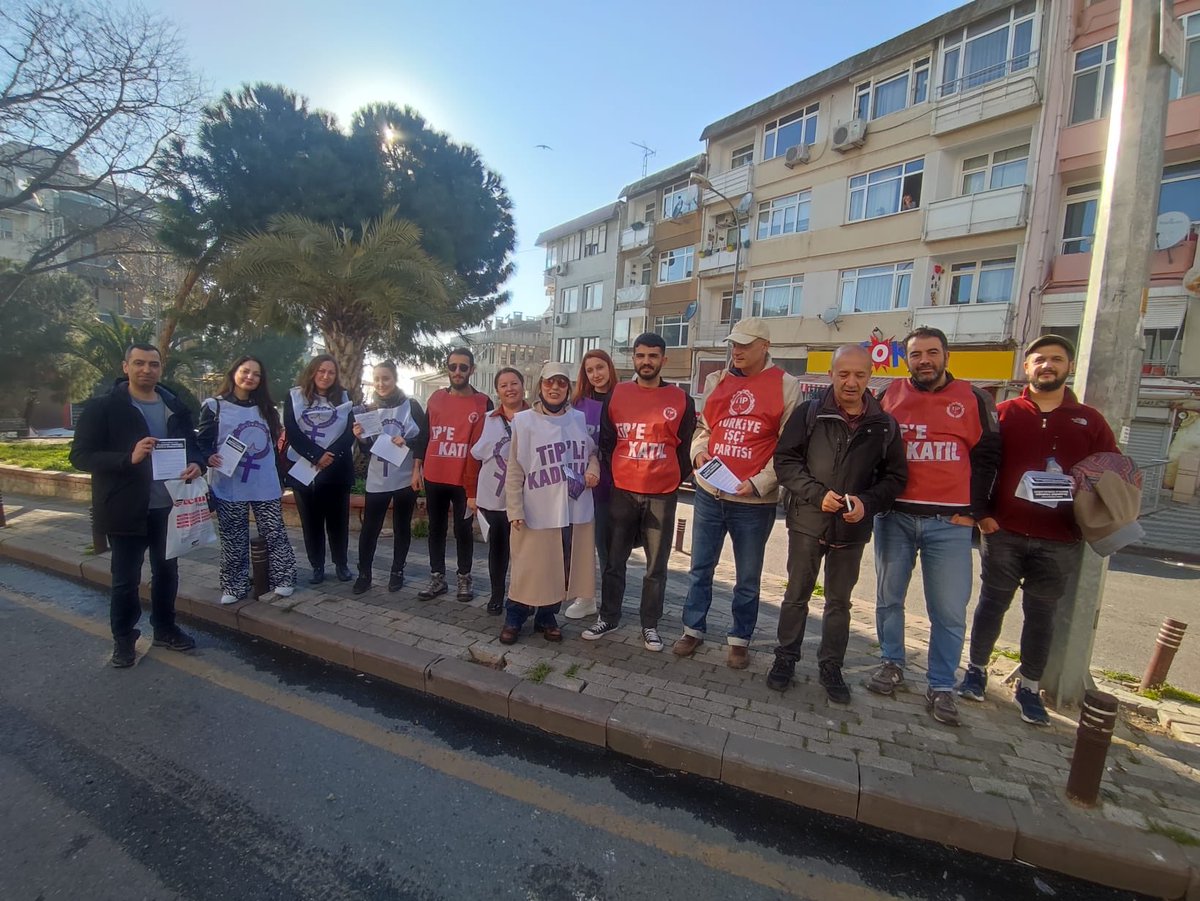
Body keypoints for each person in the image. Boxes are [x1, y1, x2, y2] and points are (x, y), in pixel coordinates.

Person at [957, 335, 1117, 725]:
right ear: (1026, 368)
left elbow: (1112, 470)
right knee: (992, 604)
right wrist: (983, 514)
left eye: (1056, 360)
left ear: (1069, 367)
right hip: (1004, 530)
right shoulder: (1005, 413)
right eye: (1039, 360)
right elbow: (982, 465)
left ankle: (1029, 686)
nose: (1048, 366)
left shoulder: (1089, 421)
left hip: (1060, 537)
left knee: (1041, 614)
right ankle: (975, 671)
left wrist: (1087, 498)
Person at [869, 327, 1002, 726]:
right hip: (895, 517)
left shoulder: (975, 398)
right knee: (889, 597)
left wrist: (976, 512)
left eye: (932, 352)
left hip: (951, 523)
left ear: (946, 355)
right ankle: (891, 662)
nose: (924, 360)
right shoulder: (888, 395)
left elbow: (989, 459)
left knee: (948, 609)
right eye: (915, 354)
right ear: (905, 359)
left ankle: (942, 684)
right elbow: (872, 451)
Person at [769, 345, 907, 700]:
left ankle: (831, 666)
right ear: (831, 374)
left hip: (852, 528)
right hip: (807, 521)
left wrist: (868, 502)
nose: (851, 382)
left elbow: (895, 478)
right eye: (843, 374)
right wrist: (815, 494)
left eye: (859, 374)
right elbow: (785, 462)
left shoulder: (884, 424)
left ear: (870, 376)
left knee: (839, 603)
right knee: (796, 596)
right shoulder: (809, 413)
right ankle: (785, 658)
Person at [672, 317, 801, 669]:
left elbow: (789, 446)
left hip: (754, 501)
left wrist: (760, 482)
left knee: (747, 576)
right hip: (711, 492)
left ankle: (740, 638)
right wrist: (698, 452)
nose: (737, 350)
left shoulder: (787, 386)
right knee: (700, 568)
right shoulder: (718, 380)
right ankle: (692, 629)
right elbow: (704, 427)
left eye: (745, 344)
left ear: (765, 346)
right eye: (734, 344)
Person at [70, 343, 205, 667]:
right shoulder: (103, 407)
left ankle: (165, 628)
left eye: (153, 364)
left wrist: (197, 463)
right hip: (125, 507)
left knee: (167, 572)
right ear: (126, 366)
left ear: (161, 368)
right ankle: (124, 639)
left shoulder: (175, 406)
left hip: (168, 507)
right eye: (140, 363)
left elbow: (194, 445)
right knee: (125, 579)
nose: (147, 369)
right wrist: (126, 458)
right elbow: (80, 456)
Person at [583, 333, 696, 651]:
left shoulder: (681, 399)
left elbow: (686, 446)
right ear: (633, 358)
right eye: (641, 355)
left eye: (653, 356)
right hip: (623, 493)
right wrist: (620, 473)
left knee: (656, 566)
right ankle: (609, 616)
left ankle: (650, 624)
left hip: (662, 494)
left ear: (664, 360)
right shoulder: (618, 394)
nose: (646, 361)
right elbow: (607, 441)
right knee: (614, 561)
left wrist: (673, 479)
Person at [502, 362, 600, 643]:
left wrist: (594, 467)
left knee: (559, 566)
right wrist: (515, 509)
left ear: (568, 388)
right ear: (540, 386)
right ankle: (515, 616)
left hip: (571, 507)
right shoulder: (524, 421)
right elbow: (514, 470)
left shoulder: (578, 419)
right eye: (549, 383)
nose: (554, 388)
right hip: (536, 506)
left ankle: (547, 616)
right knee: (529, 566)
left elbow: (593, 453)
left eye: (561, 383)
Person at [198, 355, 297, 604]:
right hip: (229, 482)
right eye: (245, 371)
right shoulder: (214, 406)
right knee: (233, 535)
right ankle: (234, 584)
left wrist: (280, 477)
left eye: (256, 374)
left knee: (274, 532)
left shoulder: (266, 409)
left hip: (264, 482)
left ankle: (283, 578)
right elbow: (202, 443)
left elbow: (274, 447)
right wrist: (209, 457)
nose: (250, 377)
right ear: (234, 373)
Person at [414, 348, 492, 602]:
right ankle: (437, 577)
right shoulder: (435, 398)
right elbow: (424, 434)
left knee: (463, 529)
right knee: (435, 529)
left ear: (472, 370)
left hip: (464, 479)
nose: (457, 372)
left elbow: (489, 442)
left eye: (463, 367)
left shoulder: (483, 402)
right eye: (453, 366)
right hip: (435, 475)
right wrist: (417, 468)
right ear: (447, 368)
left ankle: (464, 577)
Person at [351, 360, 428, 594]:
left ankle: (397, 570)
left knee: (401, 526)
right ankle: (364, 572)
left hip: (404, 476)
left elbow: (424, 438)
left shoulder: (411, 406)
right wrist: (361, 438)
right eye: (376, 379)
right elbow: (366, 450)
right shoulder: (367, 409)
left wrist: (408, 441)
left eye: (386, 378)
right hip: (378, 477)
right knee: (370, 528)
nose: (381, 383)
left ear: (395, 379)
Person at [284, 354, 355, 585]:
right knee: (311, 521)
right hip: (305, 467)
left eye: (331, 372)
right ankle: (317, 566)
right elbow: (292, 431)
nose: (325, 376)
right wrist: (315, 455)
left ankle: (341, 564)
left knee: (338, 521)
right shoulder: (295, 397)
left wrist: (328, 456)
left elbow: (349, 433)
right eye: (321, 371)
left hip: (336, 468)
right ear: (313, 372)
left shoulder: (345, 397)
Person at [469, 367, 530, 614]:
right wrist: (470, 493)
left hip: (526, 498)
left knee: (525, 552)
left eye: (513, 383)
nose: (509, 389)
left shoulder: (537, 416)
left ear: (523, 386)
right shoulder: (487, 419)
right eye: (503, 385)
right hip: (492, 496)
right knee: (498, 550)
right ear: (497, 391)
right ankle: (496, 595)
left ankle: (524, 597)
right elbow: (471, 458)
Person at [564, 349, 617, 620]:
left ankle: (610, 606)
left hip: (614, 485)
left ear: (609, 367)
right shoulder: (577, 405)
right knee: (582, 546)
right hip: (583, 486)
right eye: (589, 370)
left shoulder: (623, 398)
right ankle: (586, 598)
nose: (596, 374)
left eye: (600, 367)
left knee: (608, 549)